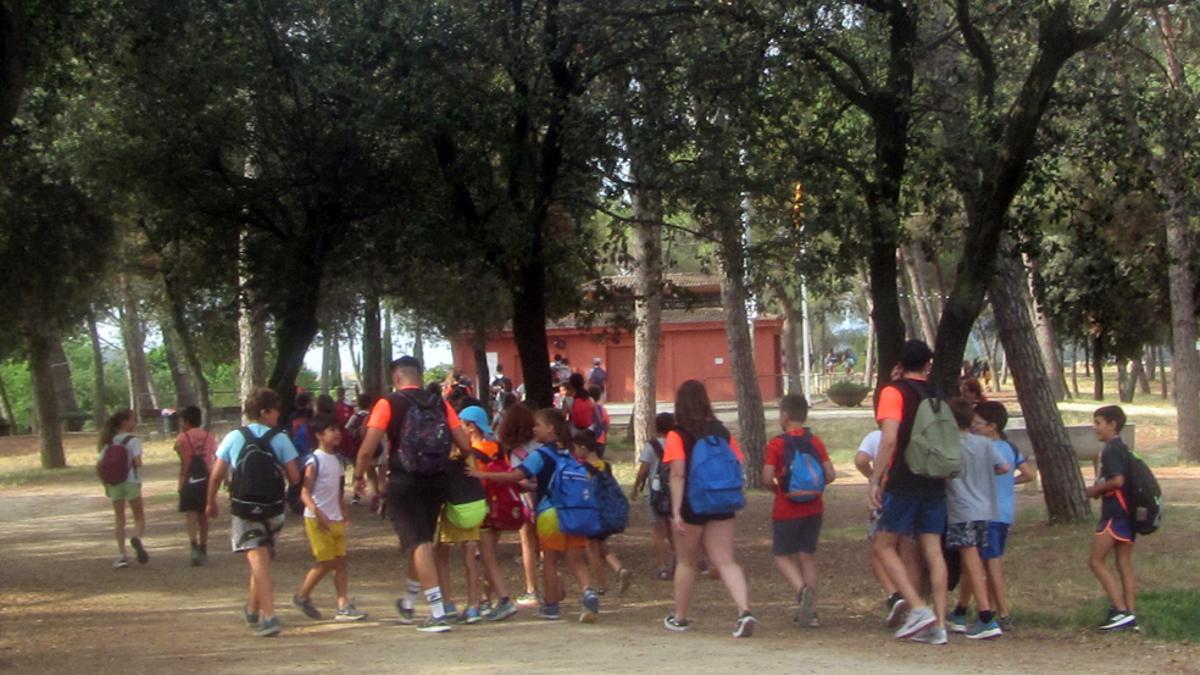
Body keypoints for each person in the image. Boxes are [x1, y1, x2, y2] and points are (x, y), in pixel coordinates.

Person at [354, 356, 474, 633]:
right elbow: (465, 444)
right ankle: (408, 602)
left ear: (396, 378)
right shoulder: (440, 404)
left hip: (404, 480)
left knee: (418, 542)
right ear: (419, 376)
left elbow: (366, 448)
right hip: (436, 480)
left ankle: (436, 611)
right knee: (419, 541)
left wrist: (359, 477)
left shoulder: (388, 404)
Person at [469, 408, 599, 623]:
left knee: (549, 559)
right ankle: (588, 591)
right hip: (574, 510)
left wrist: (482, 474)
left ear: (550, 428)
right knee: (576, 559)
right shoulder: (569, 453)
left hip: (549, 512)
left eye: (537, 425)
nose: (533, 429)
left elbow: (515, 476)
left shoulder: (541, 455)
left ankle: (550, 606)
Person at [869, 339, 950, 645]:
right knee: (932, 548)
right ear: (927, 364)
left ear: (900, 364)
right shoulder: (937, 393)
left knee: (883, 545)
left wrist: (875, 480)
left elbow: (889, 439)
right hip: (935, 478)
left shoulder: (894, 392)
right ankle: (939, 625)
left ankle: (917, 608)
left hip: (905, 477)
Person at [662, 380, 755, 637]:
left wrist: (677, 511)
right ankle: (744, 611)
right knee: (725, 560)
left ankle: (680, 617)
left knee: (687, 561)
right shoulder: (722, 432)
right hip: (722, 500)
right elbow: (737, 464)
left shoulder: (677, 434)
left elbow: (678, 475)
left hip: (693, 503)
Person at [206, 388, 302, 637]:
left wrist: (210, 502)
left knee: (258, 560)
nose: (278, 416)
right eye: (276, 411)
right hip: (273, 508)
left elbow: (217, 475)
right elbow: (294, 476)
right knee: (261, 560)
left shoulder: (233, 437)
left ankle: (269, 617)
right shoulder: (280, 438)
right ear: (265, 412)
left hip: (244, 507)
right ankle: (252, 609)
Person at [763, 394, 835, 628]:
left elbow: (766, 477)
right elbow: (830, 474)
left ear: (784, 415)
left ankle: (802, 591)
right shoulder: (815, 441)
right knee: (807, 556)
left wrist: (777, 490)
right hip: (814, 507)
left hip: (786, 508)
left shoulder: (777, 444)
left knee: (782, 555)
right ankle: (811, 612)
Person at [943, 399, 1009, 639]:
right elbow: (1004, 468)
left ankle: (986, 616)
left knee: (970, 560)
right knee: (974, 560)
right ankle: (961, 612)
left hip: (962, 508)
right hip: (986, 508)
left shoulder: (949, 445)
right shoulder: (984, 443)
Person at [292, 414, 367, 622]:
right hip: (317, 519)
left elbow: (338, 490)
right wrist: (319, 514)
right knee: (326, 561)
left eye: (337, 429)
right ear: (319, 435)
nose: (337, 434)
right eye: (331, 430)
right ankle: (302, 595)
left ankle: (342, 605)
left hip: (335, 517)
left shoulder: (339, 460)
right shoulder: (313, 461)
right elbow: (305, 493)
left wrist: (343, 511)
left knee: (341, 562)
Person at [971, 401, 1033, 630]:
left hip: (988, 515)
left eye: (978, 423)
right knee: (989, 564)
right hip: (1005, 515)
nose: (974, 426)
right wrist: (1009, 482)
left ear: (992, 426)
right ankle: (990, 610)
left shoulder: (986, 449)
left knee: (991, 566)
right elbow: (1029, 474)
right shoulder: (1011, 448)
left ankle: (1002, 613)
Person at [458, 405, 520, 622]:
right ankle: (486, 599)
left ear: (471, 427)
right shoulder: (497, 447)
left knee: (486, 557)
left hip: (482, 509)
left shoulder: (474, 452)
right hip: (499, 507)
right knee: (489, 555)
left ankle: (504, 599)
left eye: (462, 425)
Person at [854, 428, 919, 625]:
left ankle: (894, 594)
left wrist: (875, 476)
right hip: (916, 494)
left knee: (878, 550)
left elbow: (861, 460)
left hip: (886, 495)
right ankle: (915, 605)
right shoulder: (914, 434)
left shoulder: (877, 436)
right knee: (910, 554)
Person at [1086, 405, 1139, 632]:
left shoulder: (1110, 450)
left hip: (1114, 514)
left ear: (1112, 424)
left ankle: (1120, 610)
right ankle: (1130, 614)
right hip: (1129, 515)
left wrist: (1095, 490)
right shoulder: (1123, 448)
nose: (1095, 428)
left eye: (1098, 423)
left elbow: (1117, 481)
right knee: (1123, 564)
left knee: (1096, 561)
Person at [573, 429, 631, 596]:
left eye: (576, 447)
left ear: (583, 447)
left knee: (591, 548)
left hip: (592, 512)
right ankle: (619, 568)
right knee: (602, 546)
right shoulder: (605, 465)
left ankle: (601, 584)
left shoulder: (583, 468)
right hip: (606, 511)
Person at [495, 402, 542, 607]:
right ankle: (552, 588)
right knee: (547, 545)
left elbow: (515, 478)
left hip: (524, 500)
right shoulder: (541, 446)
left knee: (527, 544)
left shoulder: (511, 451)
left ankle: (532, 589)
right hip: (546, 497)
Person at [99, 410, 149, 568]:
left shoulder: (108, 441)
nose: (134, 423)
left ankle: (121, 555)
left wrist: (105, 484)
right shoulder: (133, 440)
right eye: (132, 420)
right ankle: (136, 538)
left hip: (114, 483)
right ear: (124, 422)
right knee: (139, 517)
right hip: (131, 481)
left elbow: (100, 465)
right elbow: (138, 462)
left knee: (119, 519)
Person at [632, 412, 677, 580]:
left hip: (655, 493)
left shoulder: (651, 446)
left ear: (656, 427)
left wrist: (636, 488)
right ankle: (679, 560)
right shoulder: (677, 444)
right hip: (674, 491)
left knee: (658, 531)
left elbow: (643, 471)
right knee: (673, 528)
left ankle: (662, 567)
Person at [175, 405, 216, 566]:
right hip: (207, 479)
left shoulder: (182, 438)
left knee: (191, 515)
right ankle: (203, 547)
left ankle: (193, 547)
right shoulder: (209, 436)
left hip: (189, 478)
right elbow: (215, 457)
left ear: (186, 421)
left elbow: (181, 458)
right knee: (204, 516)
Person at [587, 384, 610, 455]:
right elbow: (606, 425)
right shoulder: (603, 410)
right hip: (600, 439)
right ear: (599, 396)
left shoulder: (586, 409)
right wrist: (604, 435)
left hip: (587, 439)